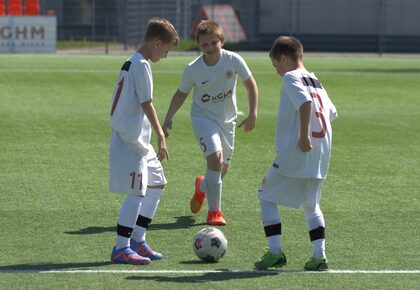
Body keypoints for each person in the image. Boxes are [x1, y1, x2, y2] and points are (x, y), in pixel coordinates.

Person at [162, 20, 258, 226]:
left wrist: (253, 114)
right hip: (203, 118)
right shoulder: (193, 69)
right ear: (199, 46)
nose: (210, 47)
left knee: (220, 171)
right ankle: (214, 212)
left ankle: (202, 187)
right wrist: (169, 116)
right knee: (215, 159)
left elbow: (250, 85)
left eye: (214, 43)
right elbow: (181, 94)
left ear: (221, 41)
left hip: (228, 122)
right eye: (205, 45)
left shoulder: (233, 60)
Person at [254, 36, 338, 271]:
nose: (277, 71)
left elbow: (304, 104)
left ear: (284, 58)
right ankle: (319, 257)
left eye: (276, 65)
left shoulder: (291, 77)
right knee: (311, 204)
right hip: (321, 152)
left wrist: (302, 135)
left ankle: (275, 252)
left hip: (298, 149)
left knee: (266, 194)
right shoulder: (315, 80)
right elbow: (331, 113)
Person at [108, 18, 179, 265]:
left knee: (157, 183)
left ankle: (138, 240)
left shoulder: (134, 61)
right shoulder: (141, 65)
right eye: (166, 50)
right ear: (156, 42)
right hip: (130, 139)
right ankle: (121, 248)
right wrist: (161, 134)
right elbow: (146, 103)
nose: (166, 55)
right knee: (137, 193)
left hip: (139, 140)